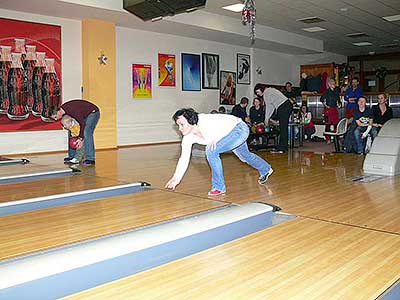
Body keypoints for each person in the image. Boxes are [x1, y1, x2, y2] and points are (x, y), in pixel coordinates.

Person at [165, 108, 273, 196]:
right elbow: (184, 158)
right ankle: (266, 169)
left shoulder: (204, 120)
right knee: (245, 156)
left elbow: (228, 122)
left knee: (211, 151)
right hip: (230, 134)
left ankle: (218, 187)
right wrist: (176, 178)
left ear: (190, 121)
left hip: (239, 128)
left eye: (182, 124)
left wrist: (216, 137)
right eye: (178, 125)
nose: (179, 128)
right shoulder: (188, 137)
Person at [52, 99, 100, 166]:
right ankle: (72, 156)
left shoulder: (72, 110)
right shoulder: (64, 112)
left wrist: (80, 138)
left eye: (55, 117)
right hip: (83, 115)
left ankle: (90, 158)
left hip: (92, 113)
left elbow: (82, 124)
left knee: (86, 132)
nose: (56, 119)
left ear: (58, 111)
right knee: (70, 130)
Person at [254, 83, 292, 153]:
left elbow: (269, 107)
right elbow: (272, 107)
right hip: (286, 105)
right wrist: (267, 118)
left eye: (257, 92)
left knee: (283, 128)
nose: (257, 94)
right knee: (283, 128)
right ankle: (283, 147)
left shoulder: (266, 93)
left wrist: (266, 118)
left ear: (261, 89)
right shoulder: (269, 90)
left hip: (283, 107)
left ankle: (282, 148)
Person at [320, 79, 340, 143]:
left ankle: (336, 139)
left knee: (336, 124)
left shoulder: (336, 91)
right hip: (328, 110)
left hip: (334, 109)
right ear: (329, 84)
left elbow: (338, 100)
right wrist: (326, 105)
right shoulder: (326, 91)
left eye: (334, 83)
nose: (334, 84)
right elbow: (322, 99)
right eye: (332, 83)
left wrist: (339, 104)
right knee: (327, 125)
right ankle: (328, 139)